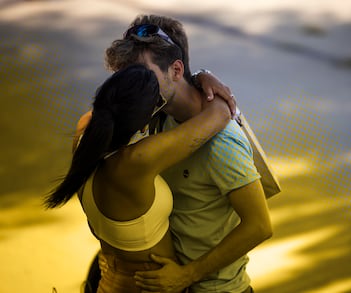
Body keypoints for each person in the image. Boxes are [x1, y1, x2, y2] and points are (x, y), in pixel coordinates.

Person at [103, 15, 274, 293]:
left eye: (142, 77)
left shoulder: (222, 144)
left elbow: (260, 226)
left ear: (177, 69)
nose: (131, 90)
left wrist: (187, 275)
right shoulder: (159, 116)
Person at [44, 64, 232, 293]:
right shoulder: (137, 160)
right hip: (149, 286)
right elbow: (220, 114)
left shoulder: (84, 133)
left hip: (109, 280)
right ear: (145, 122)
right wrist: (206, 76)